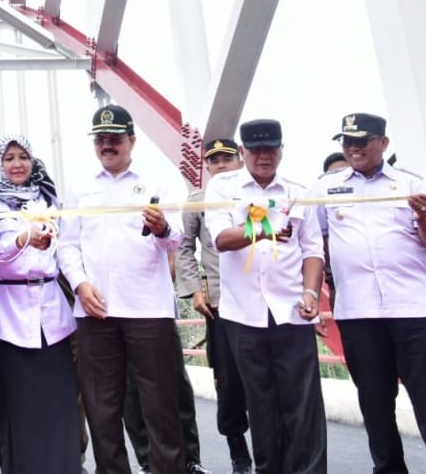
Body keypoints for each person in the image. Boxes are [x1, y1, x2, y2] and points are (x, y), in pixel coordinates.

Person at [312, 113, 426, 474]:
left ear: (383, 143)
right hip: (358, 311)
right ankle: (389, 469)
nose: (353, 148)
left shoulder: (412, 184)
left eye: (362, 141)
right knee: (375, 401)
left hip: (415, 308)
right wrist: (312, 296)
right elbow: (312, 244)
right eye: (346, 142)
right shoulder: (325, 189)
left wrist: (424, 218)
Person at [57, 104, 185, 474]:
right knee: (102, 408)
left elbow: (175, 238)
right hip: (95, 310)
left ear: (132, 140)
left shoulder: (159, 180)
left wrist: (162, 228)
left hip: (147, 309)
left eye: (115, 138)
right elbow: (67, 245)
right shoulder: (80, 185)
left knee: (160, 403)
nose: (107, 145)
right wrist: (80, 285)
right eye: (101, 139)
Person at [208, 120, 326, 474]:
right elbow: (221, 239)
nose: (264, 156)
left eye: (271, 149)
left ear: (281, 151)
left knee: (302, 403)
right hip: (242, 314)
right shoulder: (222, 187)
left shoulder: (297, 190)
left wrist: (311, 292)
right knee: (259, 402)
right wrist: (260, 229)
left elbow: (313, 249)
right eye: (256, 150)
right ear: (242, 152)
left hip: (291, 310)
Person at [0, 135, 81, 474]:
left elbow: (67, 248)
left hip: (51, 312)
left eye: (23, 156)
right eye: (9, 158)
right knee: (18, 406)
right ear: (0, 164)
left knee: (59, 402)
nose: (17, 164)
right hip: (6, 315)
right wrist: (22, 240)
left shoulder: (50, 198)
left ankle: (67, 466)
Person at [176, 139, 252, 474]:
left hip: (260, 301)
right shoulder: (197, 201)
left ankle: (273, 451)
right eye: (214, 161)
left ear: (240, 160)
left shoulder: (258, 194)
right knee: (229, 383)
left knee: (263, 382)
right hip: (220, 304)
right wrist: (194, 290)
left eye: (226, 159)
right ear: (207, 167)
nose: (220, 166)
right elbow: (183, 247)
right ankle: (239, 456)